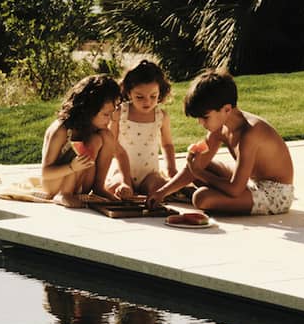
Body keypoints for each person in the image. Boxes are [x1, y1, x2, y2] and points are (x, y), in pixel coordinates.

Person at [167, 71, 294, 216]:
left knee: (201, 198)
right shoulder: (220, 128)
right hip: (249, 183)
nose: (200, 122)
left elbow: (235, 189)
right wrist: (161, 192)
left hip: (275, 195)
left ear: (226, 109)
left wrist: (199, 173)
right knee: (199, 163)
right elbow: (195, 168)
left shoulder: (250, 133)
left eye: (205, 117)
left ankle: (202, 194)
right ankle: (190, 191)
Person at [39, 73, 132, 200]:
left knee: (104, 137)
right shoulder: (61, 130)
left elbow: (121, 153)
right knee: (88, 143)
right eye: (105, 114)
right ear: (89, 110)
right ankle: (64, 196)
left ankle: (99, 188)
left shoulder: (96, 129)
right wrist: (71, 167)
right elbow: (45, 173)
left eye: (111, 114)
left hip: (81, 183)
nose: (110, 119)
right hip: (55, 184)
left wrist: (126, 183)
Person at [115, 60, 177, 198]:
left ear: (160, 92)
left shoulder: (161, 116)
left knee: (161, 188)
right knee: (115, 188)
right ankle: (126, 186)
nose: (147, 102)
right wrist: (125, 181)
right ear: (129, 92)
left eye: (153, 96)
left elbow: (167, 145)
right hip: (122, 172)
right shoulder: (120, 113)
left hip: (149, 174)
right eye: (139, 97)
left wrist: (171, 170)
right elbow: (112, 145)